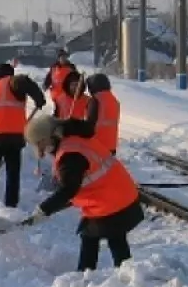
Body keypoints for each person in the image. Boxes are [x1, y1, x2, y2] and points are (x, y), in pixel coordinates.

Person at [23, 113, 144, 272]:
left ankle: (93, 275)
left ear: (50, 136)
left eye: (40, 143)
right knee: (105, 236)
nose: (40, 149)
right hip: (117, 194)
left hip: (111, 200)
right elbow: (78, 185)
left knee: (99, 236)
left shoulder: (70, 154)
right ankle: (123, 274)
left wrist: (44, 209)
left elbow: (69, 189)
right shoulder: (75, 139)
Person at [0, 62, 46, 210]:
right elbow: (24, 81)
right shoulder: (11, 81)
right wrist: (39, 98)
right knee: (12, 172)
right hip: (11, 136)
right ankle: (10, 205)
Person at [85, 73, 120, 155]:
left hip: (97, 144)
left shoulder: (95, 100)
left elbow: (89, 123)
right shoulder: (114, 100)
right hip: (112, 144)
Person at [42, 50, 78, 115]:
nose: (63, 59)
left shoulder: (71, 67)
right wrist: (45, 84)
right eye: (62, 57)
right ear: (59, 58)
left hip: (67, 94)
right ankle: (57, 121)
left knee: (67, 110)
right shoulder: (54, 67)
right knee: (58, 110)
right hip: (56, 94)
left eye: (65, 57)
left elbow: (76, 79)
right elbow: (49, 77)